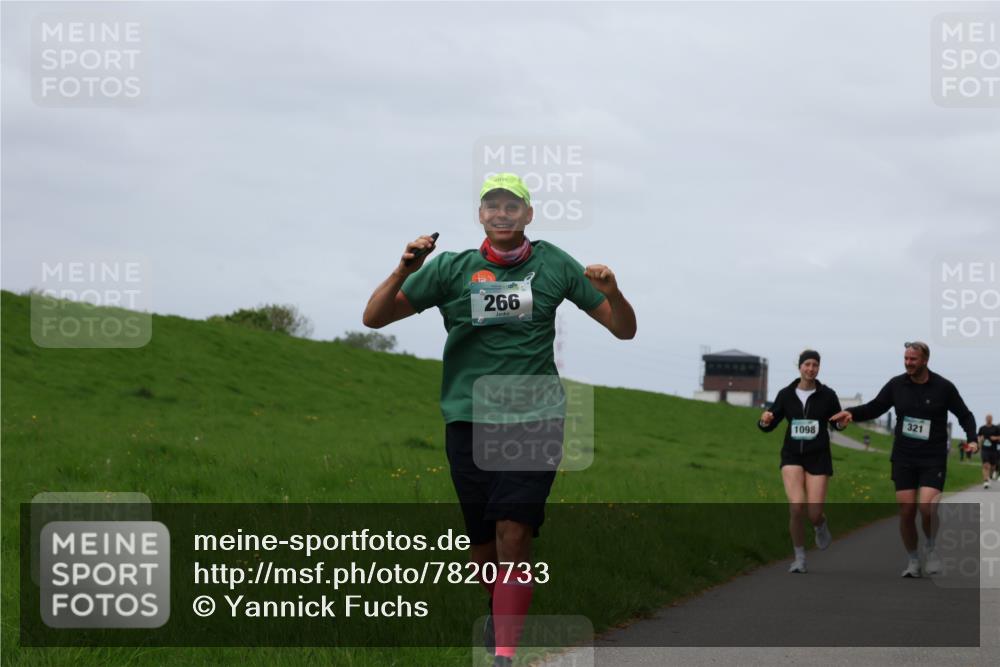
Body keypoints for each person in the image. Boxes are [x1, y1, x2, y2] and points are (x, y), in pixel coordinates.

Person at [362, 173, 637, 667]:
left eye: (514, 205)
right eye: (493, 205)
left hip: (535, 416)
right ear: (481, 216)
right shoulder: (450, 269)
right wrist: (404, 268)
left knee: (514, 530)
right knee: (484, 545)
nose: (503, 213)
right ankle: (498, 611)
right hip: (468, 417)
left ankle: (505, 655)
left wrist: (614, 293)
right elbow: (374, 318)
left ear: (528, 215)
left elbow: (623, 331)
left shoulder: (553, 264)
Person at [831, 341, 978, 578]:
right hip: (904, 456)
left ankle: (931, 549)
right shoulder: (896, 384)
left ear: (925, 360)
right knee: (907, 510)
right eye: (906, 359)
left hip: (933, 456)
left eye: (913, 359)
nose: (908, 363)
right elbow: (876, 407)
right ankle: (913, 560)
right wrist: (852, 413)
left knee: (927, 507)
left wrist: (972, 439)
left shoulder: (943, 387)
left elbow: (965, 414)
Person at [758, 350, 845, 573]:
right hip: (792, 455)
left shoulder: (827, 395)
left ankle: (820, 525)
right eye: (807, 364)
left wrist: (841, 423)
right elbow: (770, 421)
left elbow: (836, 422)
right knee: (797, 508)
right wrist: (765, 421)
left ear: (819, 368)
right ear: (799, 367)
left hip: (818, 456)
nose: (811, 369)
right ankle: (799, 557)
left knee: (813, 513)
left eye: (815, 365)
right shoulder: (786, 394)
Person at [978, 414, 999, 489]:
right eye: (987, 418)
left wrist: (995, 438)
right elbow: (979, 437)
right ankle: (986, 481)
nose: (988, 419)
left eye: (990, 418)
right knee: (985, 465)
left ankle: (990, 475)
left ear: (992, 419)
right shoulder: (982, 428)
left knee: (993, 466)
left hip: (993, 450)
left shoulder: (996, 428)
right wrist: (980, 440)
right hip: (984, 450)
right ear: (985, 419)